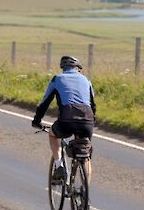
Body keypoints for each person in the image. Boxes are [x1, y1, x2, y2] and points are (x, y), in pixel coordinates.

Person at [31, 54, 96, 185]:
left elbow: (45, 102)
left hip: (67, 119)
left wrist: (37, 121)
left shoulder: (57, 79)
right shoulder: (86, 80)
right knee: (85, 154)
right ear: (78, 68)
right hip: (87, 119)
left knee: (53, 135)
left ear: (63, 68)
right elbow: (93, 105)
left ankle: (59, 165)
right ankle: (85, 194)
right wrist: (91, 122)